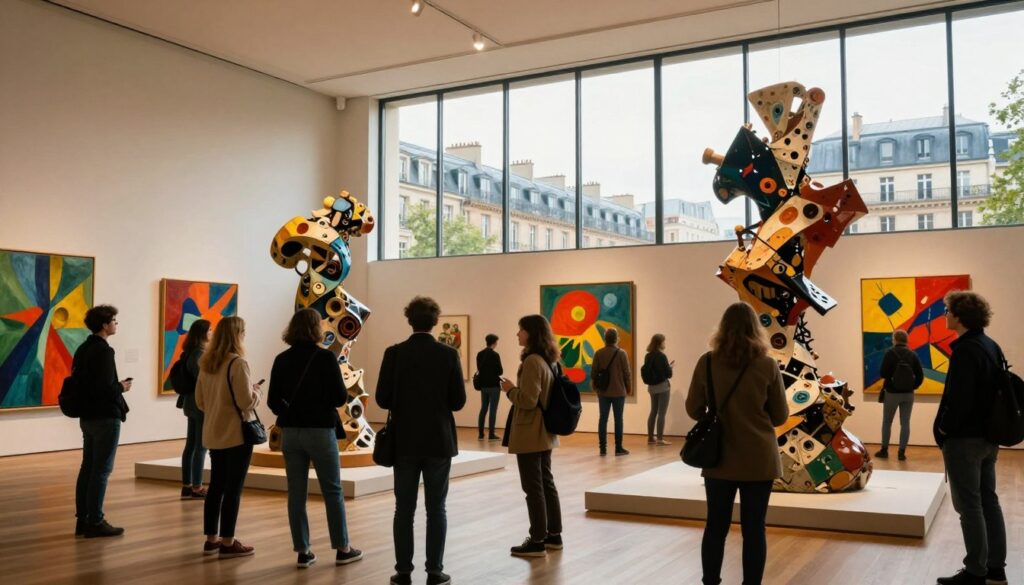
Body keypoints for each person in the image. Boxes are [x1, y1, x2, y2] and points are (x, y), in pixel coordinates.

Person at [685, 302, 789, 585]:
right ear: (756, 330)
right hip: (759, 460)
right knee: (754, 529)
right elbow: (780, 415)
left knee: (715, 526)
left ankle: (710, 581)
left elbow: (693, 409)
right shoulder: (768, 365)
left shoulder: (707, 362)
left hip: (719, 459)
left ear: (722, 328)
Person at [376, 297, 466, 585]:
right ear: (435, 321)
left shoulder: (394, 353)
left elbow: (382, 398)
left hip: (404, 441)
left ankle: (403, 571)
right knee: (436, 508)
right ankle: (435, 571)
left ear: (409, 320)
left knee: (404, 508)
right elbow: (458, 402)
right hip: (438, 440)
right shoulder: (449, 354)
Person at [267, 309, 362, 568]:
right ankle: (342, 548)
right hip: (320, 430)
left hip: (291, 433)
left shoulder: (281, 359)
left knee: (296, 493)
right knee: (332, 490)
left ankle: (303, 551)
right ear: (316, 329)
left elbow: (273, 402)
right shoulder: (325, 358)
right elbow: (340, 398)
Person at [933, 291, 1007, 585]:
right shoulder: (991, 345)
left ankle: (976, 572)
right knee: (988, 501)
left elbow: (960, 400)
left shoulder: (965, 350)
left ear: (959, 315)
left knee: (970, 505)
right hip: (989, 438)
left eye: (948, 311)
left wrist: (944, 429)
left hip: (965, 440)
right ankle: (995, 569)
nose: (945, 315)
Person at [195, 316, 262, 559]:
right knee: (234, 489)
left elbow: (200, 402)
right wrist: (257, 393)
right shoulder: (238, 363)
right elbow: (245, 402)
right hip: (236, 435)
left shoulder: (207, 363)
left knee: (216, 487)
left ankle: (211, 539)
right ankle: (228, 541)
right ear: (237, 335)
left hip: (213, 433)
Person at [499, 315, 563, 558]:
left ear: (531, 333)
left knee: (533, 487)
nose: (517, 334)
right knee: (546, 483)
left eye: (520, 330)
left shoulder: (533, 361)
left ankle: (537, 539)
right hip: (544, 431)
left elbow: (527, 400)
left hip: (530, 431)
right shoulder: (549, 361)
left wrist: (509, 390)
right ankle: (553, 535)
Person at [74, 304, 131, 539]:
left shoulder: (83, 348)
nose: (116, 324)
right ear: (105, 325)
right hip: (105, 416)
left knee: (88, 467)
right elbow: (106, 388)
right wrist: (122, 387)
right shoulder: (104, 351)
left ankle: (83, 520)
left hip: (87, 416)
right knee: (101, 471)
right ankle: (95, 521)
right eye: (114, 320)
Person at [875, 329, 923, 461]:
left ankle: (884, 450)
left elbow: (883, 373)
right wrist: (912, 386)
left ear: (895, 340)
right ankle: (902, 452)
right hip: (908, 394)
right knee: (905, 422)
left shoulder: (890, 354)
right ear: (906, 340)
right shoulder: (913, 355)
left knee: (887, 421)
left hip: (892, 393)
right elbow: (920, 376)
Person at [177, 319, 211, 500]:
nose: (212, 333)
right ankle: (197, 486)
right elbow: (204, 379)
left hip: (190, 403)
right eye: (210, 330)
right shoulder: (199, 354)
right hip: (200, 404)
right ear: (203, 333)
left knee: (191, 445)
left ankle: (187, 485)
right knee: (201, 446)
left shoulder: (189, 352)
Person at [591, 328, 632, 456]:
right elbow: (627, 374)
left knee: (603, 419)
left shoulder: (599, 353)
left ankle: (602, 449)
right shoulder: (622, 354)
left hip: (603, 392)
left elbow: (593, 373)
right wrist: (628, 388)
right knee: (618, 419)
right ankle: (618, 448)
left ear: (605, 339)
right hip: (619, 391)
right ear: (617, 338)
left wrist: (595, 388)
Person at [643, 333, 674, 446]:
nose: (664, 343)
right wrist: (670, 368)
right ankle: (660, 439)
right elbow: (668, 374)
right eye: (664, 341)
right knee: (662, 413)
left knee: (653, 411)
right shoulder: (662, 356)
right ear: (660, 343)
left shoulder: (648, 356)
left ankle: (651, 438)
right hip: (663, 387)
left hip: (652, 387)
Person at [475, 333, 504, 441]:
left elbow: (479, 369)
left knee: (483, 408)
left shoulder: (480, 354)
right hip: (494, 386)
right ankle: (491, 434)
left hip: (483, 386)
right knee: (493, 410)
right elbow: (500, 371)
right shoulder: (495, 355)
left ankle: (481, 434)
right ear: (494, 342)